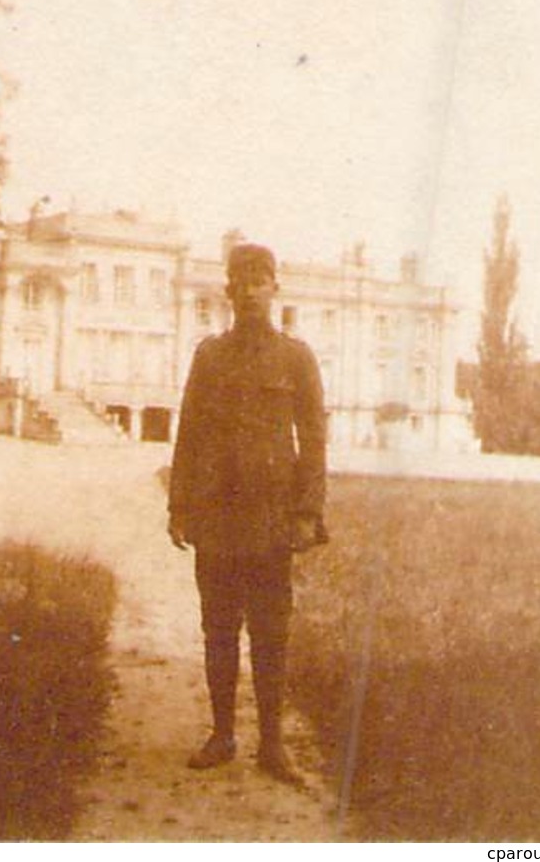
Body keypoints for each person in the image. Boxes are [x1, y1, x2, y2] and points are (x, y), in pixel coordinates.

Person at [168, 242, 327, 785]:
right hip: (216, 516)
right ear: (230, 291)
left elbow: (314, 439)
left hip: (271, 520)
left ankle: (273, 746)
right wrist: (179, 506)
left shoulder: (297, 358)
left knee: (270, 633)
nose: (254, 288)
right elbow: (188, 432)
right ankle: (221, 735)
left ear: (275, 288)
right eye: (244, 279)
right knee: (218, 629)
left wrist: (308, 513)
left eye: (263, 278)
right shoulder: (209, 356)